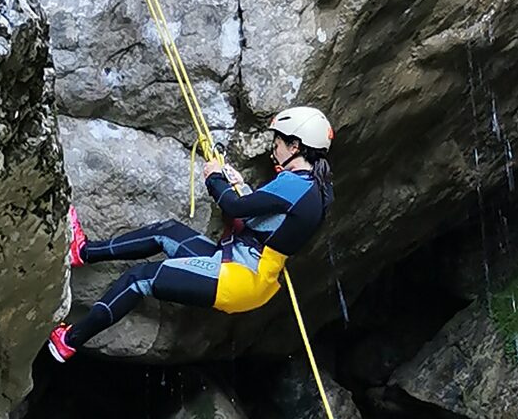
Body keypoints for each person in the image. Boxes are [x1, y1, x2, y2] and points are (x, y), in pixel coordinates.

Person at [46, 106, 334, 361]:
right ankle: (82, 252)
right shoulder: (316, 188)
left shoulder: (294, 185)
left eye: (278, 142)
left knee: (140, 278)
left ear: (295, 146)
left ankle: (68, 342)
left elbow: (234, 207)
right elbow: (264, 223)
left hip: (240, 276)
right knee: (167, 232)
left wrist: (214, 177)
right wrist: (239, 185)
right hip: (241, 264)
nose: (274, 148)